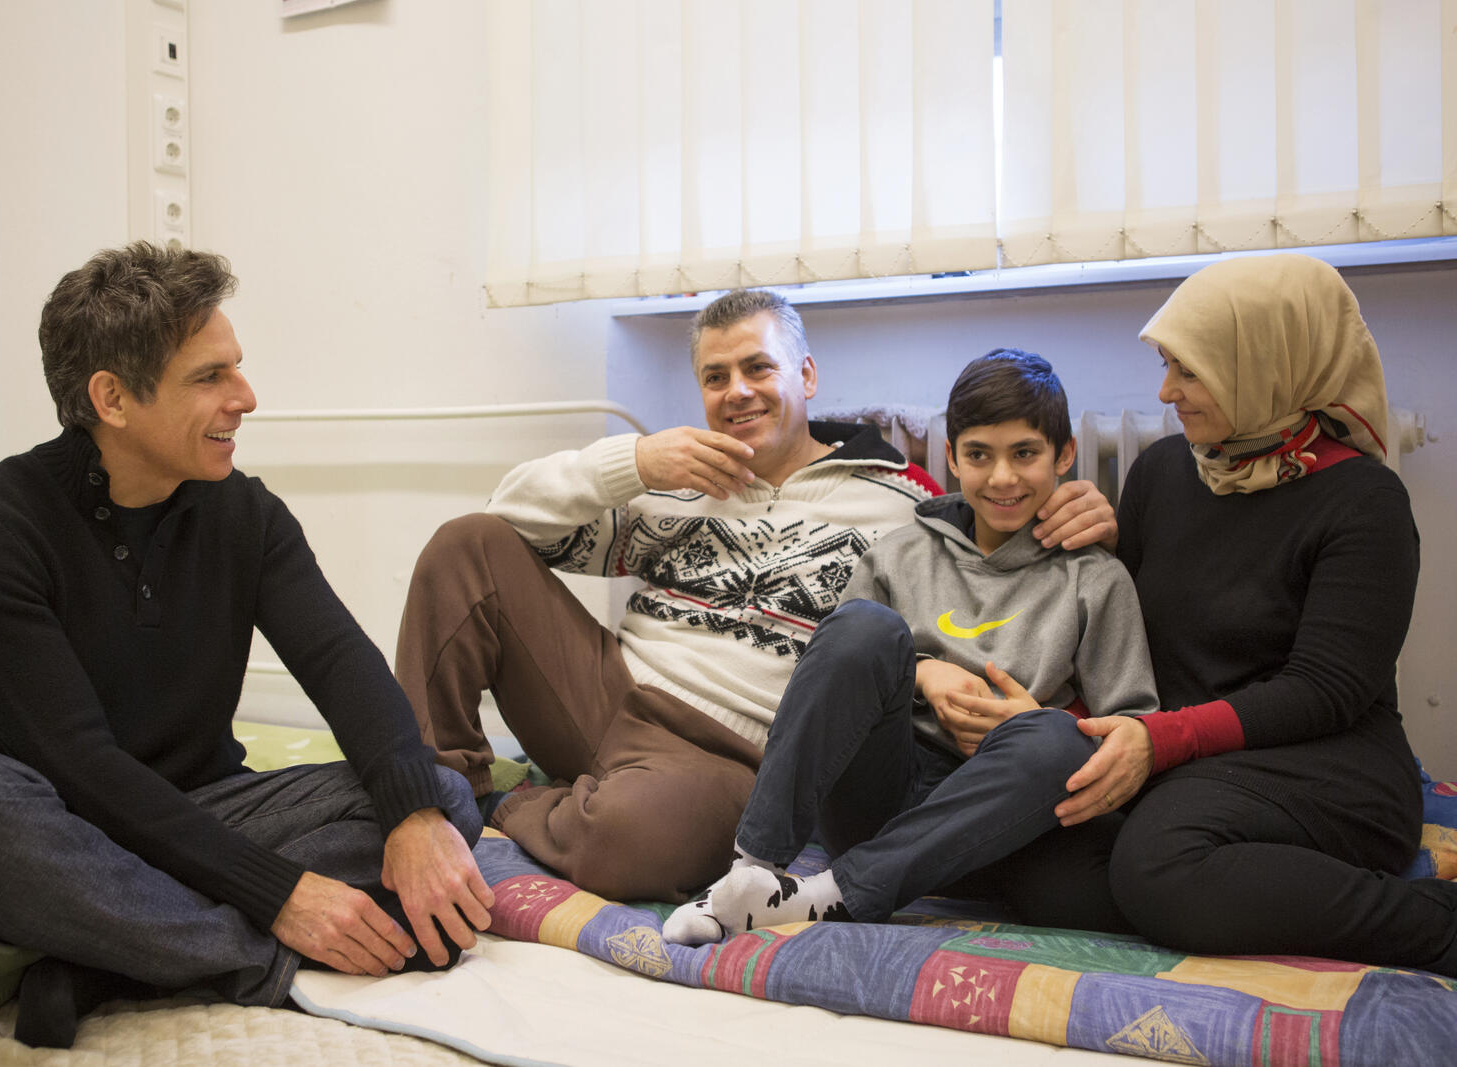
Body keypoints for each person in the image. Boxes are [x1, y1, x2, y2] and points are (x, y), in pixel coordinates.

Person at [0, 243, 495, 1049]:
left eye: (235, 369)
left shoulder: (245, 515)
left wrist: (413, 813)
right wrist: (282, 897)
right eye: (210, 377)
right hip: (61, 823)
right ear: (111, 397)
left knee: (437, 798)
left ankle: (109, 959)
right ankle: (242, 960)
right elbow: (80, 765)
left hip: (207, 812)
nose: (245, 397)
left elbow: (342, 666)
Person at [395, 288, 1122, 903]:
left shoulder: (900, 501)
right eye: (716, 377)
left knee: (627, 839)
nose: (736, 391)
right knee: (467, 544)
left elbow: (996, 525)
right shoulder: (670, 480)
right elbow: (506, 513)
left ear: (805, 374)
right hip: (604, 693)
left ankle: (515, 801)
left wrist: (1081, 506)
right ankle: (441, 797)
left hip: (731, 752)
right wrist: (635, 460)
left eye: (757, 367)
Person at [1045, 254, 1453, 974]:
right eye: (1167, 365)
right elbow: (1128, 636)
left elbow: (1325, 690)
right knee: (1042, 860)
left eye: (1190, 370)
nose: (1166, 391)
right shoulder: (1163, 471)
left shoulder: (1364, 502)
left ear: (1268, 363)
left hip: (1325, 764)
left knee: (1158, 864)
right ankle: (1216, 883)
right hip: (1193, 764)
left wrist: (1163, 740)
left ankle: (1434, 923)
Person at [663, 349, 1158, 942]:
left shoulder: (1097, 579)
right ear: (951, 457)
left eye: (1025, 453)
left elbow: (1130, 730)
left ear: (1065, 454)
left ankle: (835, 895)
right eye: (979, 455)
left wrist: (1034, 723)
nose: (1002, 478)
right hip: (884, 787)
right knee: (861, 625)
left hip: (997, 800)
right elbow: (836, 673)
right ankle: (752, 874)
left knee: (1056, 741)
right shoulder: (899, 552)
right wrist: (923, 673)